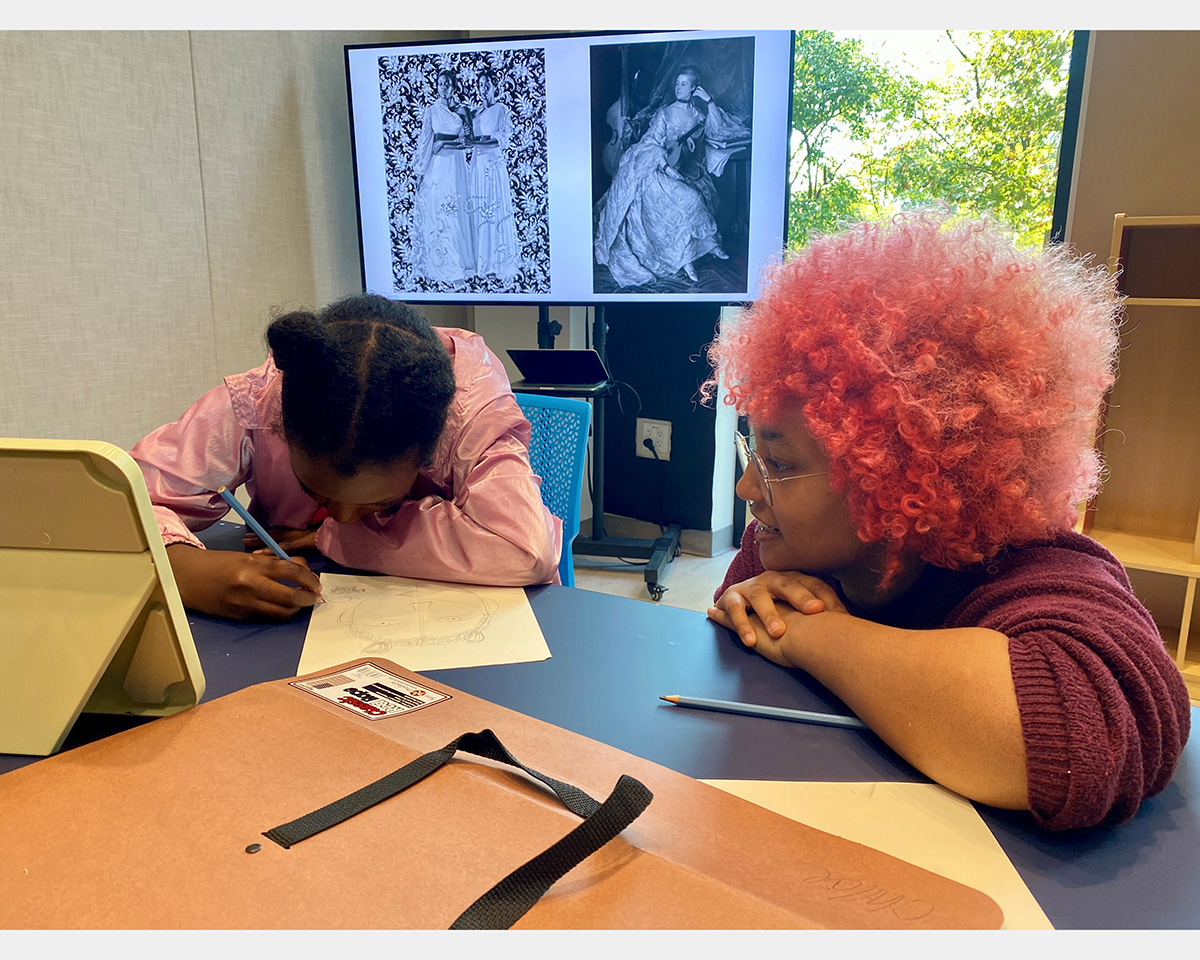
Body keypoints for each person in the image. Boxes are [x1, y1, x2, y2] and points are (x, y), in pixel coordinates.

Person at [706, 212, 1190, 830]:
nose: (748, 486)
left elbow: (1082, 734)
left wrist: (811, 635)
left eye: (776, 463)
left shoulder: (1042, 571)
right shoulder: (788, 547)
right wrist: (757, 608)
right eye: (754, 455)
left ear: (897, 473)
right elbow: (742, 632)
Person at [130, 294, 561, 621]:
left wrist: (331, 537)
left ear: (432, 449)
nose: (347, 516)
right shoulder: (265, 400)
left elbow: (524, 548)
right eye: (313, 491)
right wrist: (185, 568)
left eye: (381, 504)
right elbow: (119, 499)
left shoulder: (468, 414)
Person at [593, 65, 745, 288]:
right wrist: (666, 167)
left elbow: (718, 130)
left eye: (684, 84)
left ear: (694, 88)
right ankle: (685, 261)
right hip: (656, 170)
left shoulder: (698, 114)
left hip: (684, 167)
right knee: (687, 198)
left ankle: (708, 246)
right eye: (677, 83)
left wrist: (709, 102)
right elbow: (651, 143)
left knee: (698, 196)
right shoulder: (665, 113)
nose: (678, 87)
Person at [413, 68, 475, 287]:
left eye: (447, 83)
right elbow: (426, 142)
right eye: (440, 84)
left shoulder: (462, 110)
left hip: (455, 166)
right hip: (437, 167)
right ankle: (441, 265)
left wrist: (446, 143)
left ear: (454, 86)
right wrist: (421, 172)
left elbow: (469, 142)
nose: (443, 87)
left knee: (455, 213)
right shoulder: (432, 111)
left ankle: (458, 265)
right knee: (439, 213)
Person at [466, 68, 521, 283]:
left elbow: (502, 138)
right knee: (479, 209)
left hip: (493, 164)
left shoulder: (501, 110)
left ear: (495, 86)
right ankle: (482, 261)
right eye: (480, 85)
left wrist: (477, 142)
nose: (483, 89)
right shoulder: (475, 113)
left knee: (493, 208)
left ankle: (497, 262)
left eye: (487, 85)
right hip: (477, 165)